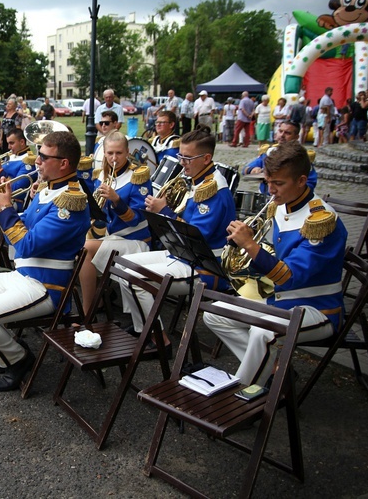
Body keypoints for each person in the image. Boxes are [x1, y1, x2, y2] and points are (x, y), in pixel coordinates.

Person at [0, 130, 91, 392]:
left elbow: (26, 245)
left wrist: (4, 209)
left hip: (46, 286)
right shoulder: (48, 189)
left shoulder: (70, 202)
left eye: (44, 156)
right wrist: (8, 204)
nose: (36, 160)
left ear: (63, 163)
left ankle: (18, 360)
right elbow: (27, 228)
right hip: (23, 276)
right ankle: (9, 350)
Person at [204, 141, 347, 386]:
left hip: (317, 309)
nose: (270, 190)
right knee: (214, 314)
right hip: (277, 299)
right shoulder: (281, 206)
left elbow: (289, 277)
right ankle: (273, 371)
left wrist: (250, 244)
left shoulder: (320, 221)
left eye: (278, 183)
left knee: (264, 333)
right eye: (268, 181)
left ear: (302, 181)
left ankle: (243, 396)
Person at [118, 127, 237, 350]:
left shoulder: (214, 189)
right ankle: (142, 328)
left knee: (136, 279)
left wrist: (166, 211)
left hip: (205, 266)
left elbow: (196, 235)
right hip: (184, 255)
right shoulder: (200, 179)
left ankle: (159, 339)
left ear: (207, 158)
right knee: (125, 269)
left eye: (188, 157)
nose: (182, 162)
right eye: (180, 156)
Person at [79, 131, 152, 312]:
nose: (114, 158)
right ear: (104, 153)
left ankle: (88, 311)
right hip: (113, 237)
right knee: (72, 245)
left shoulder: (138, 176)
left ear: (127, 152)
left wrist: (117, 200)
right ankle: (98, 301)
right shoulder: (101, 176)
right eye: (110, 153)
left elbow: (135, 220)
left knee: (85, 249)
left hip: (135, 240)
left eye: (119, 153)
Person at [243, 120, 318, 193]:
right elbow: (245, 170)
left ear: (296, 137)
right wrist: (253, 170)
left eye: (287, 133)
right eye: (280, 131)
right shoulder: (269, 152)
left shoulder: (301, 157)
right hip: (265, 196)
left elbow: (310, 184)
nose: (282, 135)